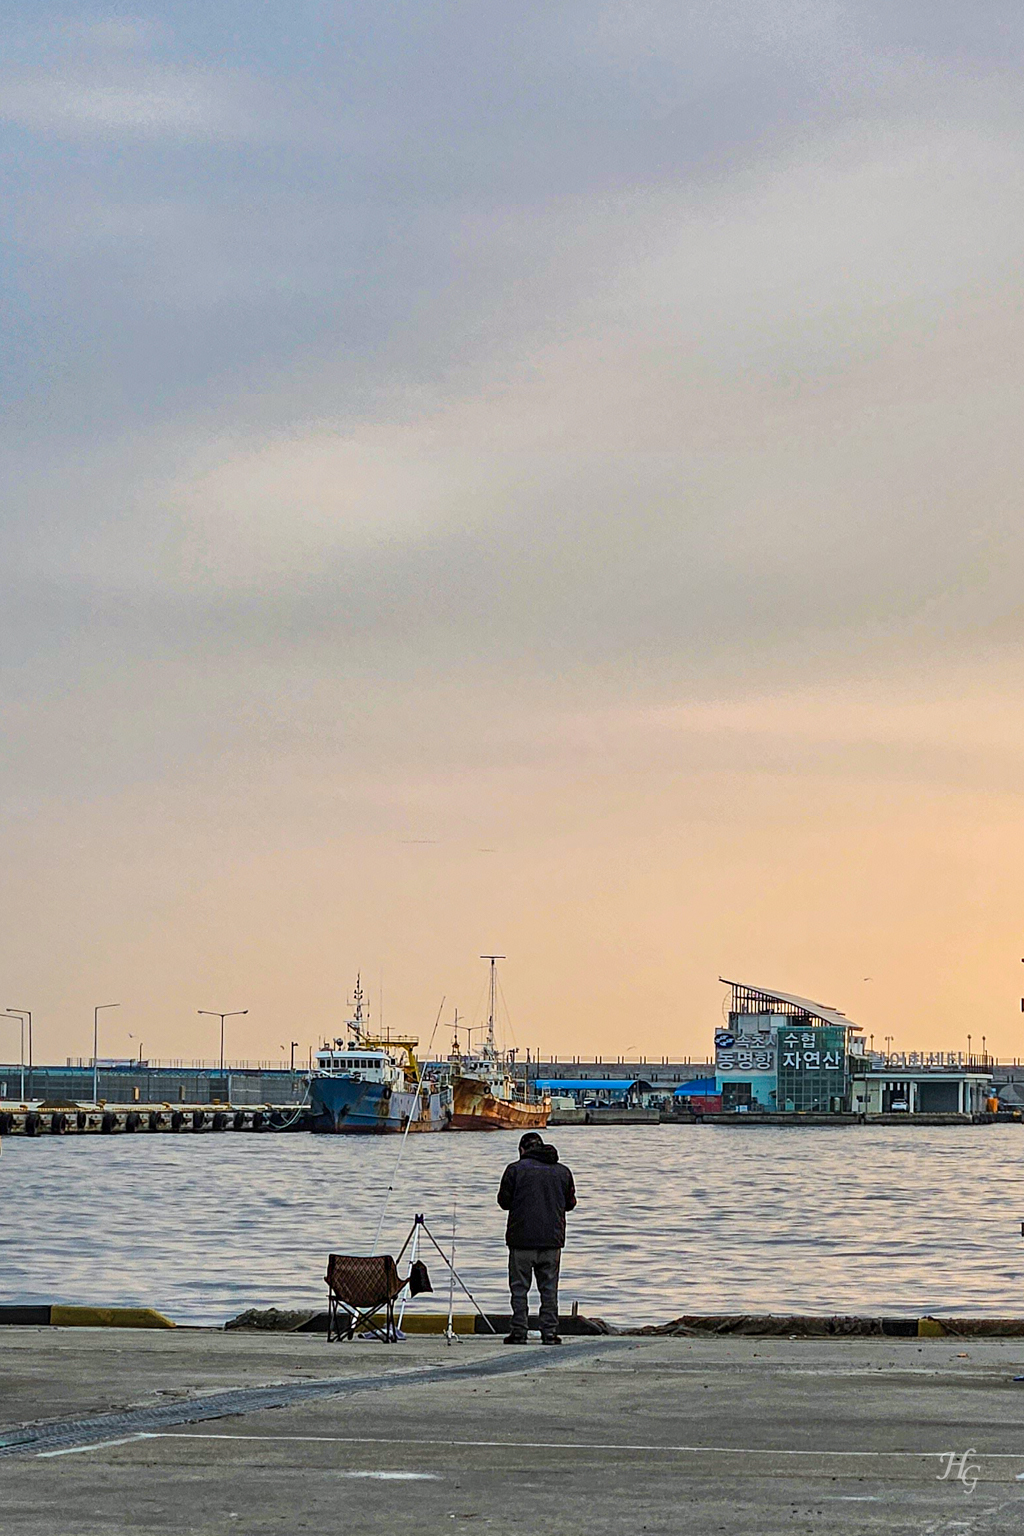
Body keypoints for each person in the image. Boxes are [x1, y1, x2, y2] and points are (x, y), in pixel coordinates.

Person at [497, 1131, 576, 1345]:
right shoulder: (563, 1172)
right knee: (549, 1289)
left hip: (521, 1240)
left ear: (523, 1150)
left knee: (519, 1289)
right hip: (552, 1241)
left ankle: (519, 1332)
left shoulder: (514, 1170)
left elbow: (503, 1201)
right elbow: (570, 1203)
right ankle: (549, 1333)